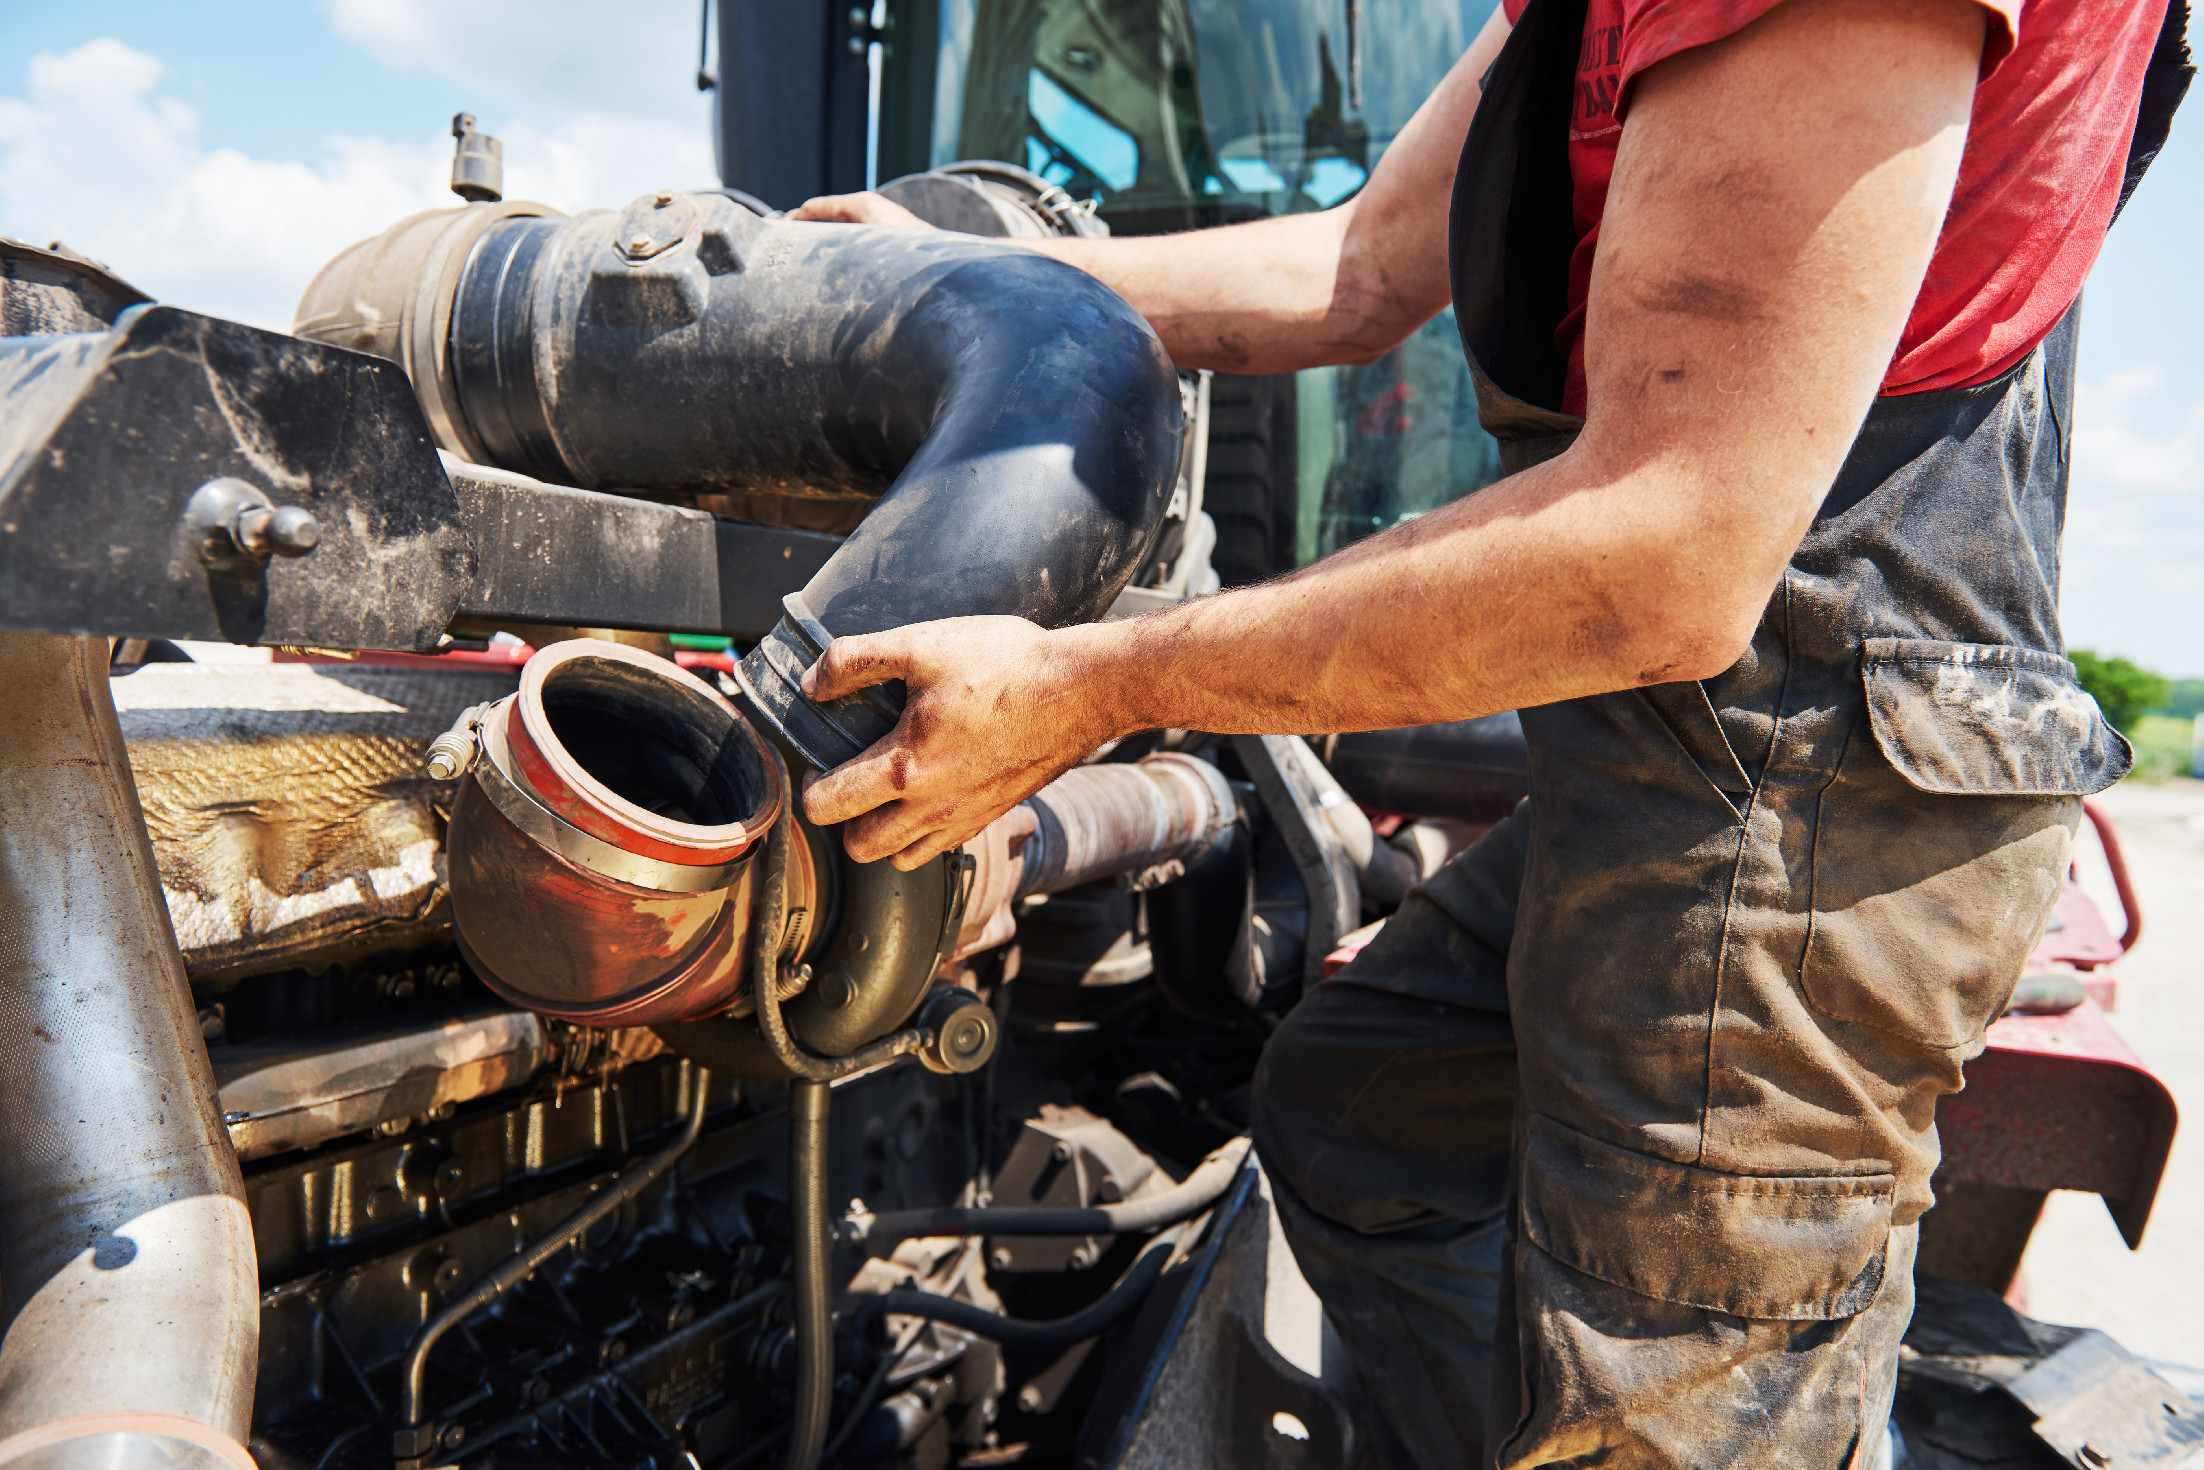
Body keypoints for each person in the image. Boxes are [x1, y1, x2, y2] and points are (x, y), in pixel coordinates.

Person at [790, 0, 2186, 1462]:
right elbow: (1359, 264)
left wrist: (1097, 683)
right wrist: (957, 279)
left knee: (1672, 1402)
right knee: (1363, 1111)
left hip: (1804, 779)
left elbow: (1665, 550)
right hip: (1676, 744)